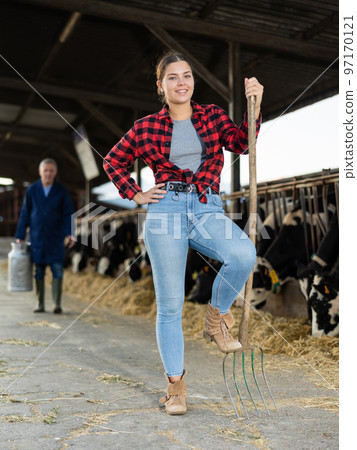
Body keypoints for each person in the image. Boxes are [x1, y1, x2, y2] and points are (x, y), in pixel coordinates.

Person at [103, 50, 264, 415]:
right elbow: (112, 160)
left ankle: (216, 316)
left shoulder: (211, 116)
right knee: (170, 305)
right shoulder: (146, 127)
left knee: (243, 254)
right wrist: (136, 194)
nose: (182, 82)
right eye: (173, 77)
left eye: (187, 75)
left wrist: (253, 108)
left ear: (194, 82)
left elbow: (242, 143)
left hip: (207, 206)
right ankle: (176, 387)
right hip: (165, 211)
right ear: (161, 86)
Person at [15, 158, 75, 314]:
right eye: (45, 170)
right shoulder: (32, 190)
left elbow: (68, 214)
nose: (48, 173)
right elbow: (25, 213)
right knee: (38, 271)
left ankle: (56, 304)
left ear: (55, 173)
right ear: (40, 172)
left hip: (55, 237)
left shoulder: (61, 191)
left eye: (51, 170)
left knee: (57, 269)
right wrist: (20, 234)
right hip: (37, 236)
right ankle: (39, 303)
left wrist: (71, 232)